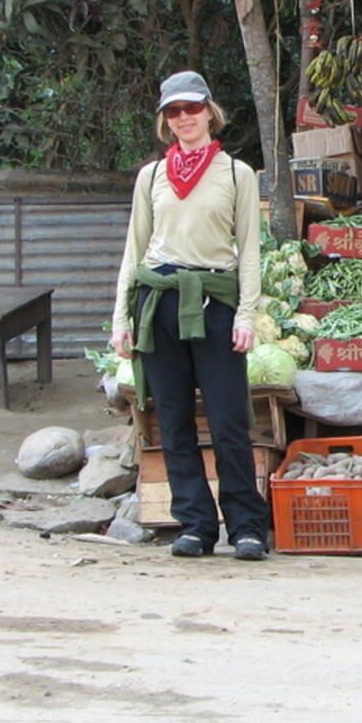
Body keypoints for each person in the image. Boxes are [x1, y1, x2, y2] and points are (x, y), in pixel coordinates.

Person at [110, 70, 270, 560]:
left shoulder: (237, 173)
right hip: (158, 304)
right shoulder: (152, 176)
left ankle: (246, 527)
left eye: (191, 109)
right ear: (165, 120)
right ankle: (195, 525)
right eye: (173, 112)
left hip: (215, 304)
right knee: (174, 421)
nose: (184, 119)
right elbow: (134, 249)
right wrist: (122, 318)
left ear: (209, 111)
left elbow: (249, 251)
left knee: (227, 421)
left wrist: (246, 314)